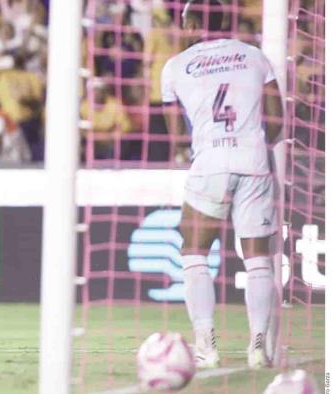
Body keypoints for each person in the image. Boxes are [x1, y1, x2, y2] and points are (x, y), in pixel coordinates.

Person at [161, 0, 283, 370]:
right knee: (259, 259)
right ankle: (258, 345)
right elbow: (277, 120)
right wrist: (254, 144)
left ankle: (206, 345)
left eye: (184, 21)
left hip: (210, 162)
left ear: (194, 23)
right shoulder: (256, 57)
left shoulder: (175, 67)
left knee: (194, 252)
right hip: (254, 160)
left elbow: (175, 136)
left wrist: (192, 146)